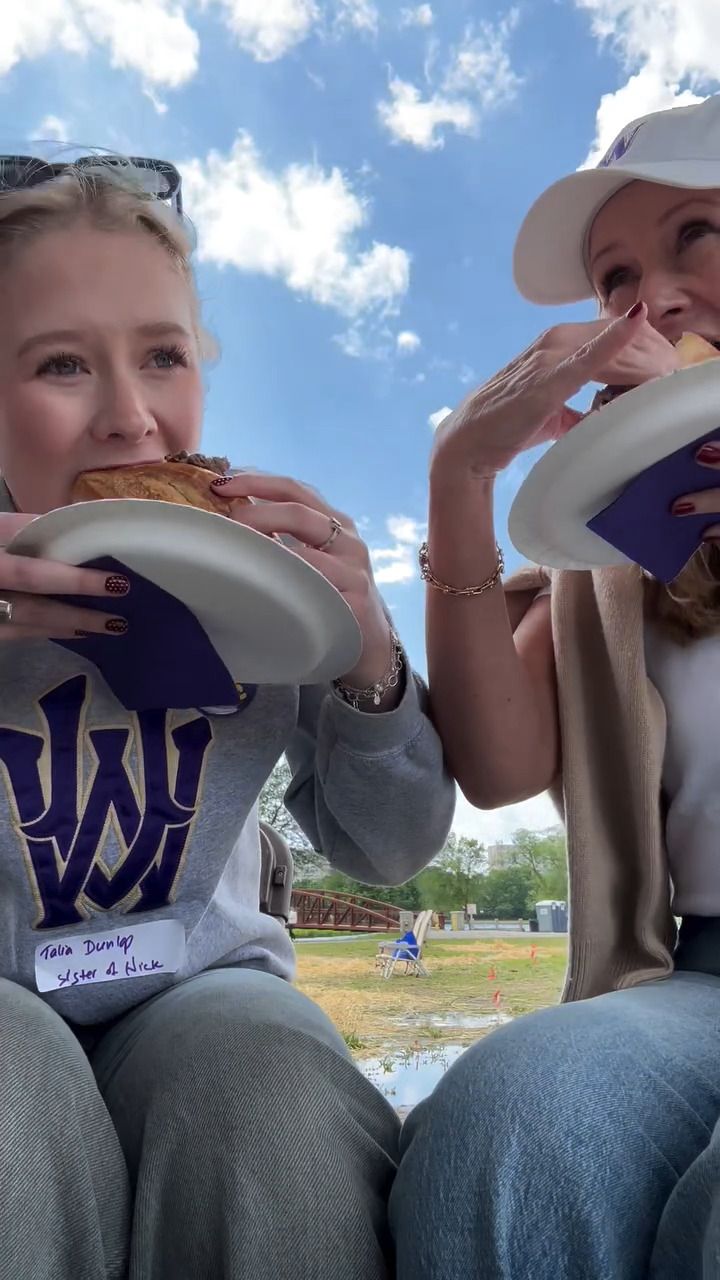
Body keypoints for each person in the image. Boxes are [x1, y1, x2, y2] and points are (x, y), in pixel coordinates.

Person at [0, 155, 455, 1280]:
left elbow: (390, 847)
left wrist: (367, 654)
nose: (130, 417)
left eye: (163, 355)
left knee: (271, 1101)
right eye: (62, 364)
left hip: (206, 985)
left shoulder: (264, 575)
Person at [391, 95, 720, 1279]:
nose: (652, 297)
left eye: (696, 234)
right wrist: (462, 480)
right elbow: (499, 766)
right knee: (503, 1128)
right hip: (697, 973)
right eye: (617, 276)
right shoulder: (602, 556)